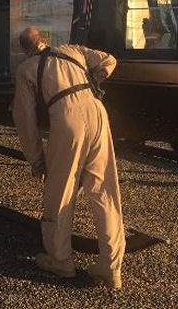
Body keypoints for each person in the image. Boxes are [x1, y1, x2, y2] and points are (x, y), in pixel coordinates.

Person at [12, 27, 125, 289]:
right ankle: (111, 267)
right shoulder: (72, 50)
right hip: (97, 111)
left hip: (66, 118)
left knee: (60, 190)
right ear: (45, 40)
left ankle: (60, 260)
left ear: (25, 49)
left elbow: (24, 118)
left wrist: (36, 160)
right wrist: (96, 78)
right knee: (104, 189)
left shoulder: (26, 69)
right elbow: (109, 60)